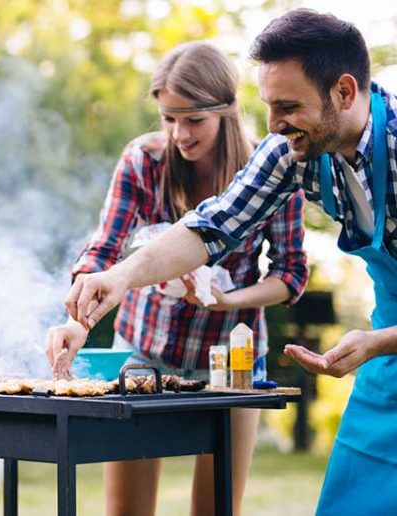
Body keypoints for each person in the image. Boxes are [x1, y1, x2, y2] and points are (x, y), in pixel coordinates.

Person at [65, 9, 397, 515]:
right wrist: (119, 277)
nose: (273, 124)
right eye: (268, 106)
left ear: (345, 93)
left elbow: (289, 273)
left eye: (287, 106)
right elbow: (212, 225)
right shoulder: (290, 151)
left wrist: (377, 341)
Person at [46, 42, 308, 516]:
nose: (178, 134)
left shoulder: (271, 171)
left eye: (193, 120)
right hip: (145, 357)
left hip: (234, 366)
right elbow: (105, 250)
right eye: (168, 118)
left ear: (225, 112)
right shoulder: (143, 161)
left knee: (215, 510)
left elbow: (290, 275)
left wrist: (227, 300)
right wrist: (77, 324)